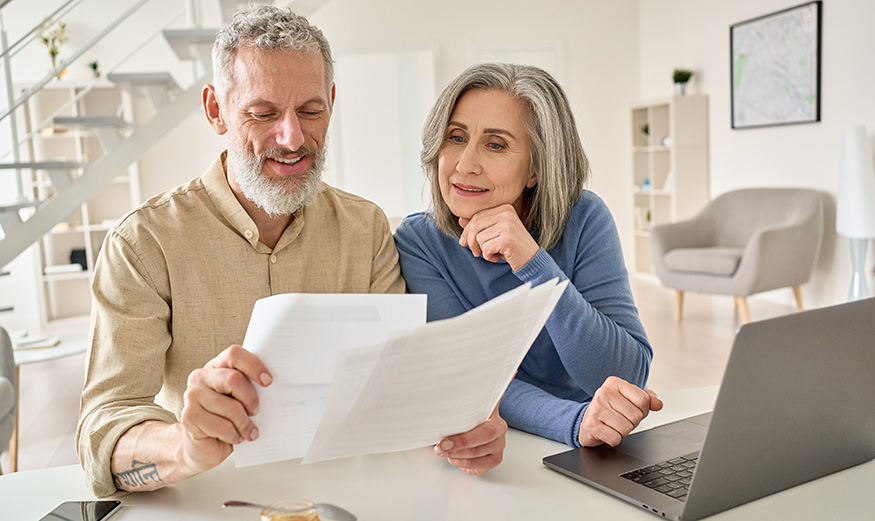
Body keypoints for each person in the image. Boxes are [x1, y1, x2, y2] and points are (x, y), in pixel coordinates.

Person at [76, 6, 505, 498]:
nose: (293, 138)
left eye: (310, 110)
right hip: (211, 502)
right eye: (263, 113)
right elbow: (103, 428)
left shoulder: (365, 228)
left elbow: (398, 388)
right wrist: (183, 447)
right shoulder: (143, 243)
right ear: (215, 110)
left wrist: (465, 424)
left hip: (351, 497)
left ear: (332, 102)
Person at [394, 63, 663, 450]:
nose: (464, 165)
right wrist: (573, 421)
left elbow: (626, 376)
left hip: (592, 441)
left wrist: (535, 265)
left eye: (495, 145)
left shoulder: (585, 218)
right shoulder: (419, 241)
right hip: (493, 441)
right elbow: (468, 376)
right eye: (455, 137)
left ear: (536, 168)